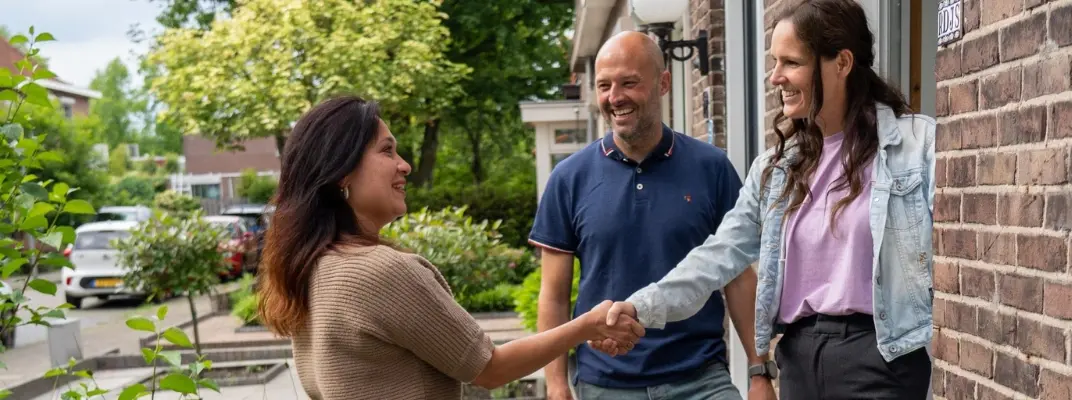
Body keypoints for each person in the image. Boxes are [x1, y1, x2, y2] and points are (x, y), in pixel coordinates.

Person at [598, 0, 937, 398]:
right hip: (798, 360)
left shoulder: (917, 147)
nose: (775, 77)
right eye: (774, 62)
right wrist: (641, 306)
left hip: (882, 357)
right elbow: (717, 256)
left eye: (791, 62)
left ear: (842, 63)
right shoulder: (776, 169)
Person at [255, 95, 645, 400]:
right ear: (342, 172)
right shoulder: (380, 272)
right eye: (387, 150)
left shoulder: (311, 265)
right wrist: (588, 324)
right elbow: (491, 369)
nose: (404, 165)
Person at [528, 31, 766, 400]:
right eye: (604, 86)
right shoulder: (569, 179)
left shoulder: (712, 168)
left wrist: (759, 371)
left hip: (700, 379)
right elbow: (554, 295)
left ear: (664, 83)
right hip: (604, 384)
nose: (614, 97)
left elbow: (737, 278)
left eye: (629, 83)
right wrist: (557, 386)